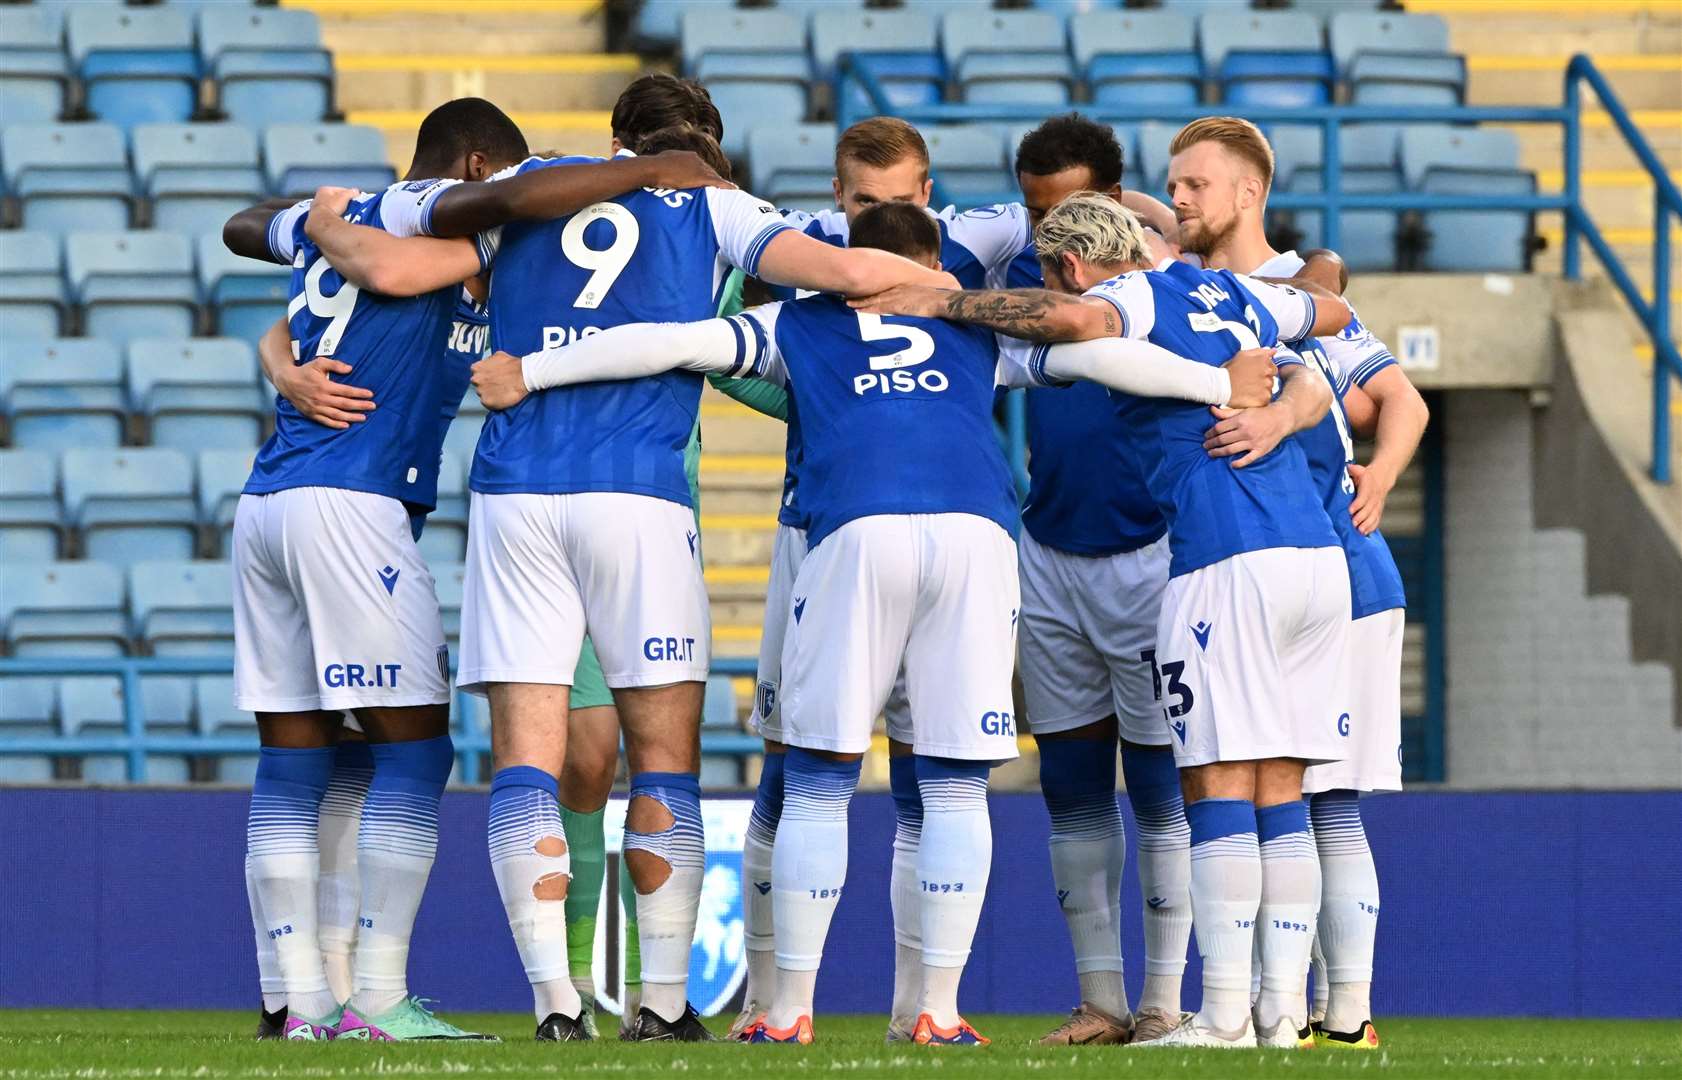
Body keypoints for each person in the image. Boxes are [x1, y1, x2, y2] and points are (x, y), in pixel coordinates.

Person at [470, 201, 1281, 1045]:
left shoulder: (796, 321)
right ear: (933, 261)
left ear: (852, 259)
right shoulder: (973, 320)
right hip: (976, 533)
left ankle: (786, 1011)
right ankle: (936, 1008)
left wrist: (529, 371)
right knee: (955, 782)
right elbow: (1109, 357)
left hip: (857, 529)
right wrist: (1220, 385)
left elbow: (671, 340)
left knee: (819, 778)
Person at [300, 119, 956, 1041]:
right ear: (696, 154)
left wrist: (319, 238)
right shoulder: (714, 203)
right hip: (640, 496)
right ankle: (663, 1001)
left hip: (516, 494)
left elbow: (399, 273)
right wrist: (949, 293)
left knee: (526, 757)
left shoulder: (525, 191)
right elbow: (849, 273)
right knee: (663, 760)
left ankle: (555, 1005)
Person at [223, 98, 732, 1042]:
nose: (514, 203)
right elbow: (387, 260)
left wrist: (279, 353)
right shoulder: (439, 223)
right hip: (352, 499)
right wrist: (646, 172)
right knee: (412, 751)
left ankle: (296, 997)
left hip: (269, 504)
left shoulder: (367, 213)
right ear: (474, 168)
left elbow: (247, 226)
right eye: (501, 184)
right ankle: (374, 998)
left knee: (300, 759)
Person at [854, 194, 1354, 1049]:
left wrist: (941, 300)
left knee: (1219, 783)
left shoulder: (1135, 299)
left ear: (1071, 265)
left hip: (1225, 556)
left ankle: (1224, 1016)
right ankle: (1278, 1019)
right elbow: (1332, 305)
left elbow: (1076, 320)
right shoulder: (1230, 292)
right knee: (1281, 790)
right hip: (1314, 558)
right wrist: (1279, 399)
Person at [1164, 116, 1428, 1049]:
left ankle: (1331, 1011)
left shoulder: (1298, 296)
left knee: (1318, 797)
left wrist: (1381, 478)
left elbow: (1401, 398)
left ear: (1248, 193)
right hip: (1294, 560)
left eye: (1197, 183)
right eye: (1174, 185)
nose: (1181, 199)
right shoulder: (1214, 286)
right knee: (1297, 797)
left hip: (1323, 563)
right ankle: (1294, 1015)